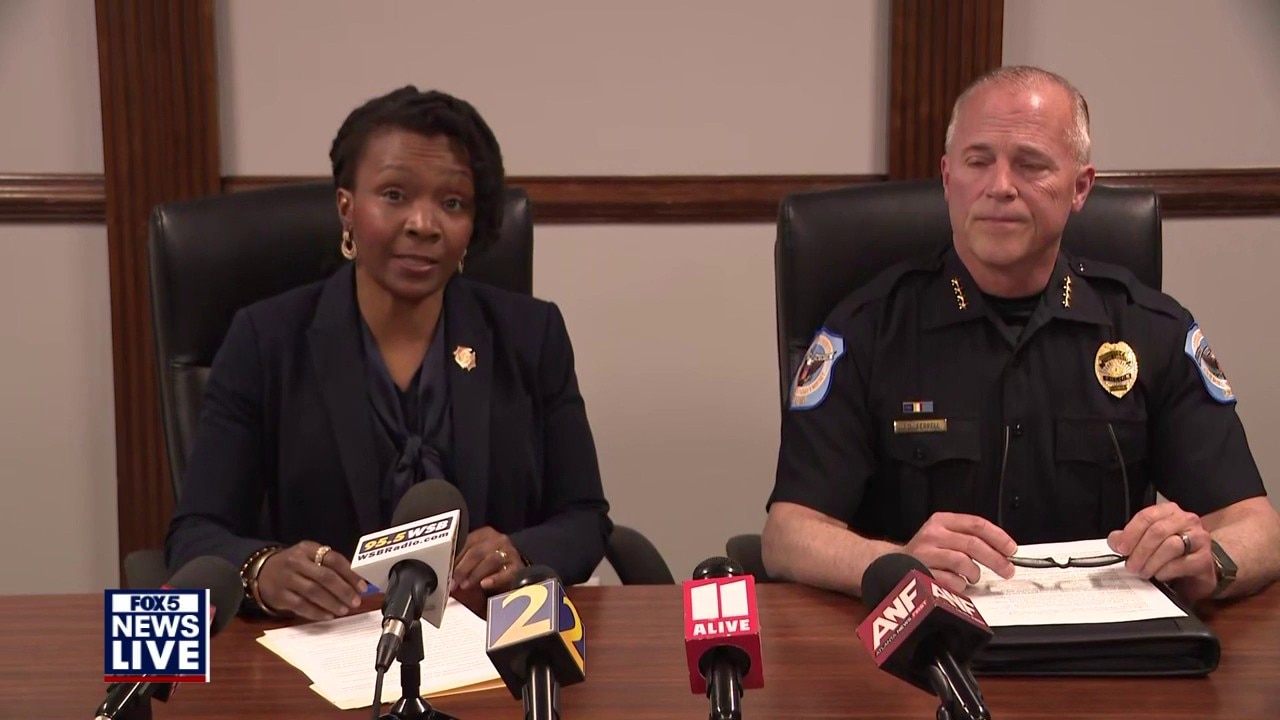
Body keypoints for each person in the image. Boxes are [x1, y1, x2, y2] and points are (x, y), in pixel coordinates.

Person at [763, 66, 1280, 603]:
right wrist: (894, 563)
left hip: (1104, 643)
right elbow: (787, 534)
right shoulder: (867, 330)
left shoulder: (1151, 330)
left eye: (1030, 164)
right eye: (978, 162)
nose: (1000, 187)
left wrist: (1209, 561)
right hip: (927, 636)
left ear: (1080, 188)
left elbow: (1258, 527)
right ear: (948, 178)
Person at [165, 86, 613, 620]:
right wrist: (261, 569)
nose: (423, 224)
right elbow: (195, 533)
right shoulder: (265, 340)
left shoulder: (531, 335)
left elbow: (584, 518)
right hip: (324, 645)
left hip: (490, 640)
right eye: (395, 195)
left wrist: (520, 553)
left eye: (452, 203)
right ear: (346, 207)